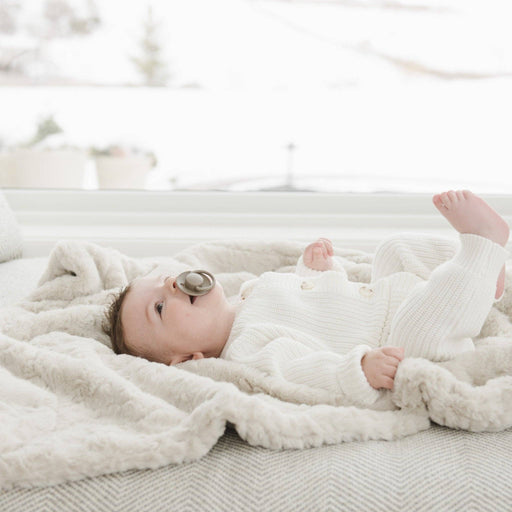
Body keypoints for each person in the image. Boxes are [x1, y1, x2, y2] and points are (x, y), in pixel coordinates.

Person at [104, 190, 510, 406]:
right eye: (160, 306)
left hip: (384, 298)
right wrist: (359, 369)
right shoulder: (245, 352)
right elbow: (303, 372)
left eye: (167, 281)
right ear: (187, 360)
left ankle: (481, 277)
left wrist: (318, 271)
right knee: (419, 329)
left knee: (392, 250)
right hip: (395, 340)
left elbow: (316, 306)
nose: (174, 287)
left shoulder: (252, 290)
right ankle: (481, 250)